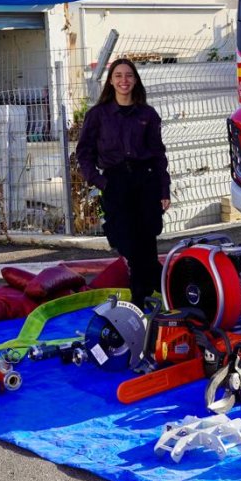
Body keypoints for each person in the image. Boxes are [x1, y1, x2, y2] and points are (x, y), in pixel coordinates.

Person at [76, 58, 171, 309]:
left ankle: (141, 303)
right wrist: (99, 181)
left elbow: (158, 154)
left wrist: (164, 189)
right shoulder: (98, 115)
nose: (124, 81)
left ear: (136, 80)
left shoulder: (147, 115)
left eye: (129, 75)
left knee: (147, 242)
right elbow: (83, 152)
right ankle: (166, 286)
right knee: (125, 242)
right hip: (115, 183)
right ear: (111, 80)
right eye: (118, 76)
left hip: (145, 182)